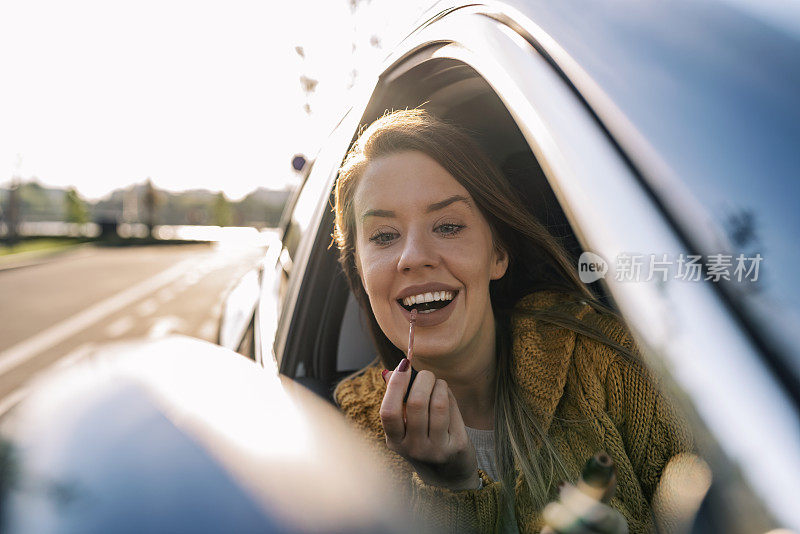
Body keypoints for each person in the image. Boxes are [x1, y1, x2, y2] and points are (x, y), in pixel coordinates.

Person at [331, 109, 693, 533]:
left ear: (497, 254)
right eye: (384, 236)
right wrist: (451, 489)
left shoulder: (608, 362)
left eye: (447, 226)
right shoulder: (349, 445)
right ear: (359, 267)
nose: (412, 256)